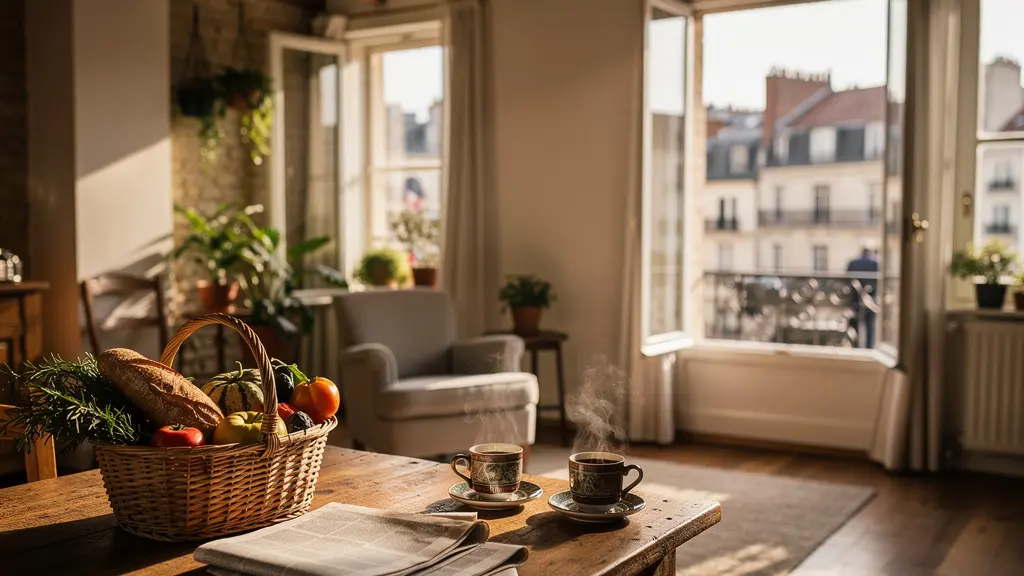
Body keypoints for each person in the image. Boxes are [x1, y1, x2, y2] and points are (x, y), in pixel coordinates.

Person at [846, 247, 879, 348]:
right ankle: (869, 347)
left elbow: (847, 280)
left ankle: (855, 346)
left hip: (855, 298)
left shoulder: (853, 263)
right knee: (870, 325)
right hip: (870, 298)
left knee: (855, 323)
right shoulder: (875, 263)